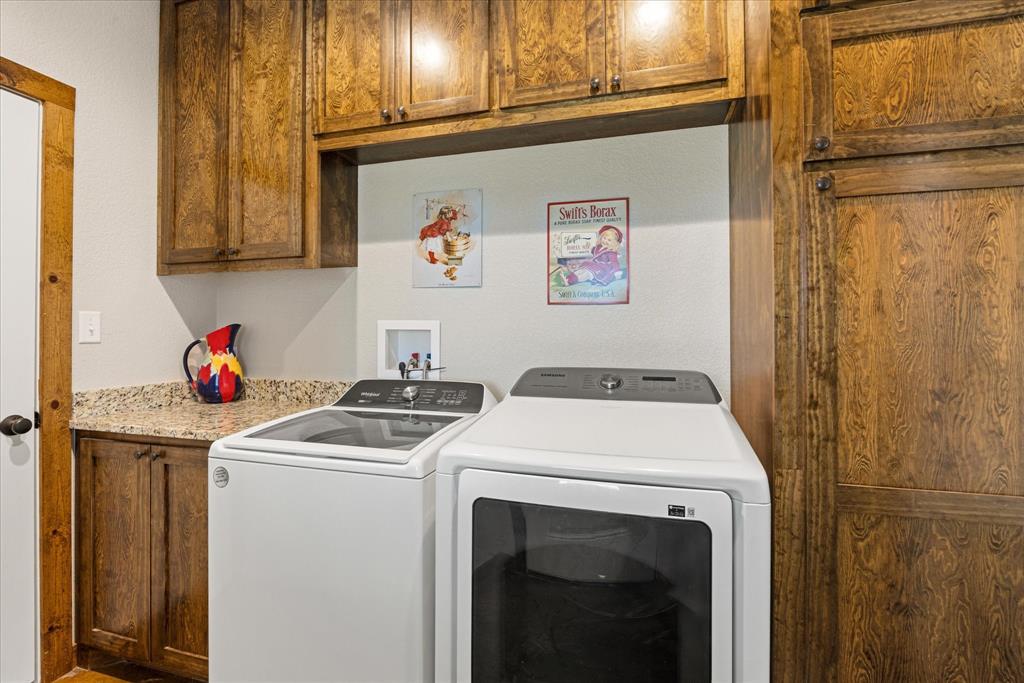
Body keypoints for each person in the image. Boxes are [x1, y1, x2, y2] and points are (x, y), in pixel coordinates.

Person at [555, 225, 624, 287]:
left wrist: (617, 272)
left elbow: (615, 263)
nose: (605, 241)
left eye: (609, 240)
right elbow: (594, 252)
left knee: (587, 274)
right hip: (593, 265)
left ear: (614, 243)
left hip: (602, 269)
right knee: (582, 270)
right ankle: (568, 279)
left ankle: (570, 282)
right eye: (604, 238)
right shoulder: (599, 247)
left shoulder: (611, 252)